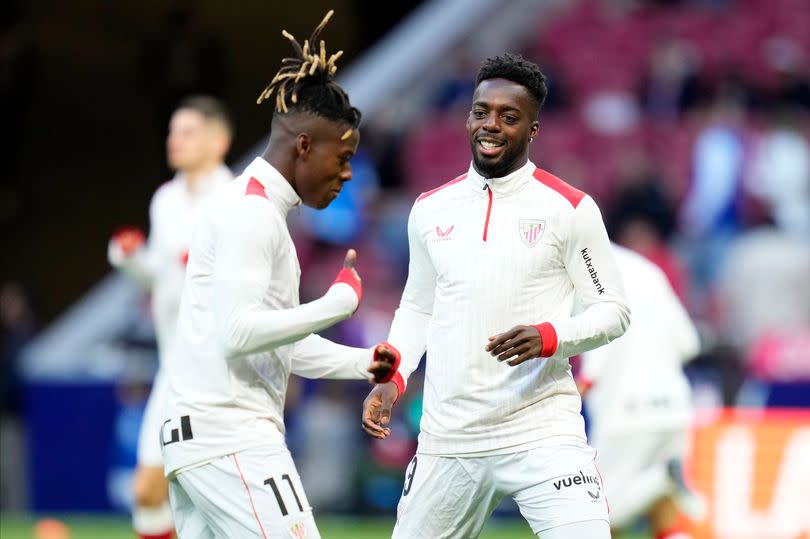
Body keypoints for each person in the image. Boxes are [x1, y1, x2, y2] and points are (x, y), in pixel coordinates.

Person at [362, 53, 631, 539]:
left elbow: (614, 311)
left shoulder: (569, 209)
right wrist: (393, 375)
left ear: (532, 130)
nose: (491, 125)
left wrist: (551, 336)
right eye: (481, 111)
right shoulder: (428, 210)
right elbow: (418, 306)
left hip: (542, 431)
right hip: (449, 438)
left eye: (509, 117)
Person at [161, 11, 400, 539]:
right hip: (230, 437)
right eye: (343, 158)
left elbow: (274, 344)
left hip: (201, 440)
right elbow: (238, 334)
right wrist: (337, 305)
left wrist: (364, 363)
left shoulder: (260, 212)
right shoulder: (251, 215)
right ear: (305, 146)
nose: (346, 175)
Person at [107, 95, 234, 539]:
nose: (174, 141)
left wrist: (200, 263)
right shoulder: (165, 200)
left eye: (187, 132)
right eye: (172, 131)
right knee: (148, 492)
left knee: (219, 507)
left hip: (223, 376)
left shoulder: (234, 198)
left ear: (219, 141)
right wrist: (132, 260)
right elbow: (164, 280)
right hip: (175, 369)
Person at [577, 244, 703, 539]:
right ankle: (660, 483)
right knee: (663, 511)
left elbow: (594, 362)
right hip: (675, 409)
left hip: (625, 412)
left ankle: (658, 481)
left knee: (597, 517)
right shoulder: (648, 270)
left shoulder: (579, 271)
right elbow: (688, 343)